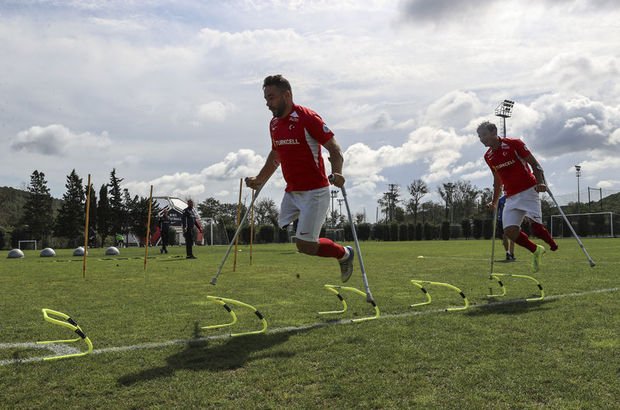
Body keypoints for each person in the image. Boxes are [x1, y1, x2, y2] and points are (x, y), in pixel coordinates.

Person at [245, 74, 355, 282]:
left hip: (315, 192)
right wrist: (259, 179)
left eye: (272, 97)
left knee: (304, 245)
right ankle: (311, 232)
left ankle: (344, 254)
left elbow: (334, 148)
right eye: (266, 99)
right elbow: (275, 154)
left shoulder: (307, 118)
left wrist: (338, 172)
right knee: (282, 226)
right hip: (292, 192)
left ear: (287, 95)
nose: (268, 104)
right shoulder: (274, 124)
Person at [478, 121, 558, 273]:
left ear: (494, 131)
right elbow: (497, 180)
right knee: (509, 232)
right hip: (511, 196)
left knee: (537, 229)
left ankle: (553, 245)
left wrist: (541, 183)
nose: (482, 139)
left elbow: (536, 164)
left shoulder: (514, 144)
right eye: (479, 136)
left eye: (484, 135)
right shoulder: (488, 156)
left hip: (528, 190)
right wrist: (494, 202)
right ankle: (536, 250)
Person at [496, 194, 515, 261]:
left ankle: (511, 254)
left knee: (512, 238)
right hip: (502, 220)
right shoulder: (501, 200)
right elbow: (496, 208)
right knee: (504, 237)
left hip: (512, 219)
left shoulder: (513, 198)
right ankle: (508, 253)